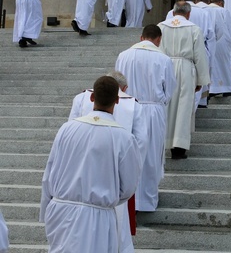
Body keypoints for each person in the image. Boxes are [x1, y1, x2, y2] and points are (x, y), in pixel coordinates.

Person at [40, 75, 141, 253]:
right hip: (97, 216)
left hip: (61, 210)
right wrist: (107, 198)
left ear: (92, 97)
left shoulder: (67, 129)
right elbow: (129, 186)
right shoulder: (123, 138)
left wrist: (47, 206)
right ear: (117, 101)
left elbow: (50, 171)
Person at [68, 72, 147, 253]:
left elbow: (70, 138)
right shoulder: (133, 106)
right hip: (110, 187)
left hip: (77, 184)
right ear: (121, 93)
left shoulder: (80, 99)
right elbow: (140, 143)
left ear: (93, 95)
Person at [115, 24, 177, 211]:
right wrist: (158, 102)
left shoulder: (123, 56)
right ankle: (147, 201)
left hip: (127, 108)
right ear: (158, 40)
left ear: (141, 37)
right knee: (151, 154)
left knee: (129, 153)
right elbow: (170, 88)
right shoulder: (163, 58)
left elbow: (117, 82)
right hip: (152, 110)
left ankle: (127, 200)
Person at [158, 1, 210, 159]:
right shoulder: (193, 28)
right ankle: (178, 147)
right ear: (188, 14)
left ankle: (162, 142)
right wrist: (201, 79)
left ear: (173, 13)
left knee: (167, 105)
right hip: (186, 69)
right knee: (183, 106)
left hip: (164, 67)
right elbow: (200, 56)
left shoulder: (161, 27)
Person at [208, 0, 231, 97]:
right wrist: (230, 43)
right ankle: (227, 88)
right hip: (222, 41)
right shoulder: (223, 11)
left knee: (212, 66)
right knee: (224, 65)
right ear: (220, 3)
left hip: (209, 41)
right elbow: (228, 28)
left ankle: (212, 89)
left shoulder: (204, 10)